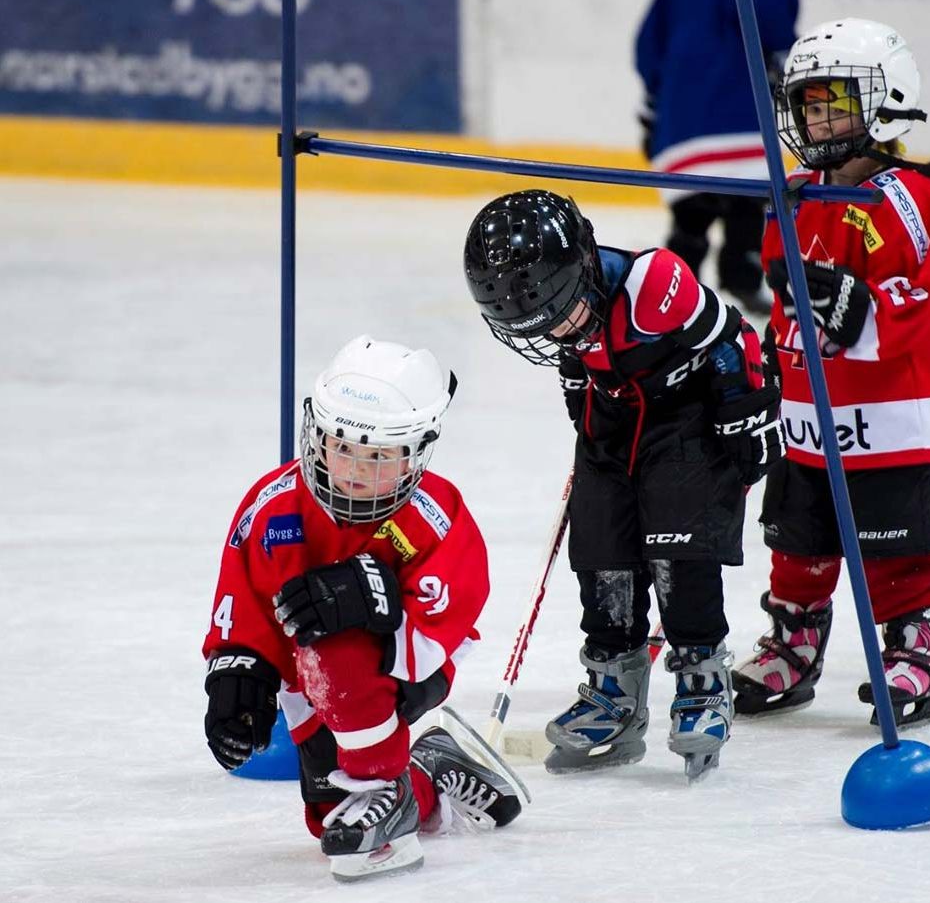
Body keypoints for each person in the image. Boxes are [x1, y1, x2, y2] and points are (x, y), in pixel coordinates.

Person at [463, 189, 786, 780]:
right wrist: (579, 393)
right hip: (614, 424)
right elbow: (577, 356)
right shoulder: (566, 306)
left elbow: (731, 337)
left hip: (684, 423)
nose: (555, 331)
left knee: (677, 548)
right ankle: (614, 688)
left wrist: (752, 409)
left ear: (583, 270)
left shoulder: (653, 288)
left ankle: (700, 680)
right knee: (601, 548)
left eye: (559, 318)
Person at [202, 335, 523, 883]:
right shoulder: (274, 504)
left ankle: (382, 785)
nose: (354, 469)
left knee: (337, 649)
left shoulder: (433, 512)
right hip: (310, 679)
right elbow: (245, 595)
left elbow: (455, 598)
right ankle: (427, 773)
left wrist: (378, 599)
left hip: (406, 667)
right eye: (342, 447)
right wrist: (240, 668)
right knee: (329, 817)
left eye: (378, 456)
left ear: (414, 452)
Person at [731, 19, 930, 729]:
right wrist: (767, 362)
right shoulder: (794, 195)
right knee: (797, 537)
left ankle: (916, 639)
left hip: (891, 425)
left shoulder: (913, 197)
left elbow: (924, 299)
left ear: (889, 103)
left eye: (832, 104)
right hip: (810, 421)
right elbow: (786, 301)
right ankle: (795, 638)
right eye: (808, 105)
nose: (816, 119)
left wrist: (863, 310)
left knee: (894, 544)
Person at [635, 0, 798, 317]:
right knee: (746, 205)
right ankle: (742, 272)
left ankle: (676, 283)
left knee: (690, 213)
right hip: (738, 109)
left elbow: (648, 45)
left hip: (680, 117)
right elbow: (774, 24)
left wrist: (654, 105)